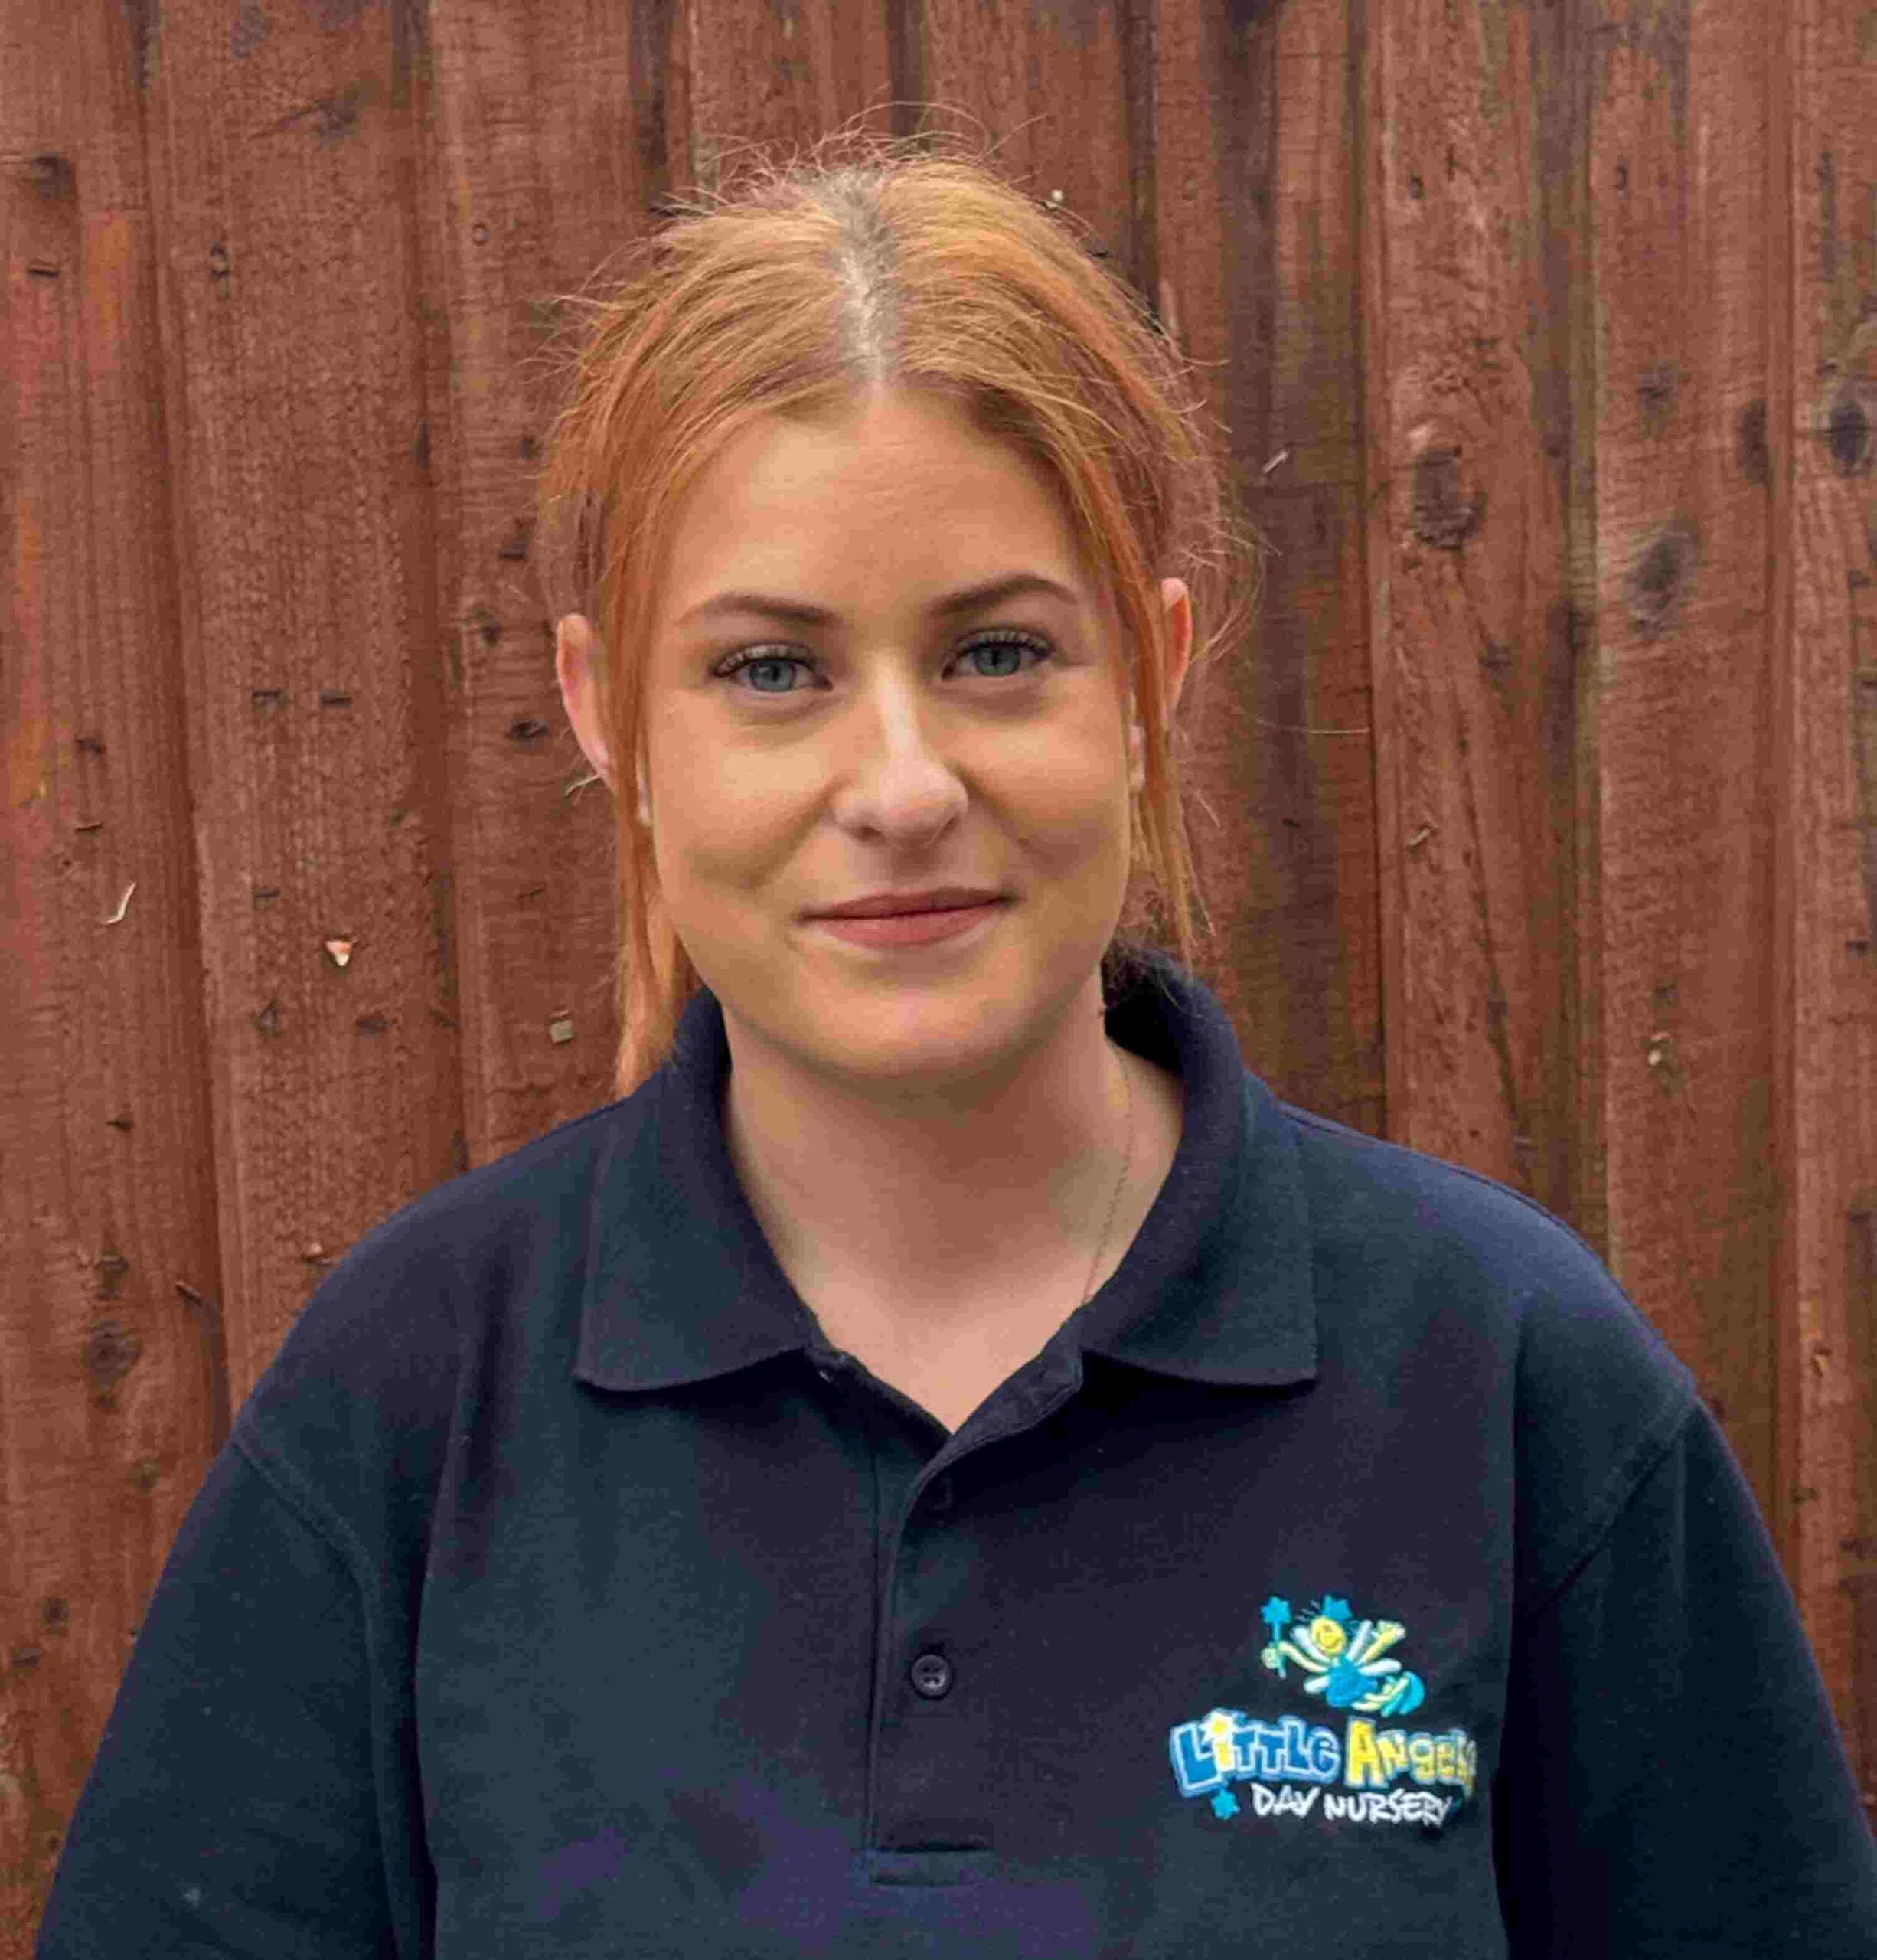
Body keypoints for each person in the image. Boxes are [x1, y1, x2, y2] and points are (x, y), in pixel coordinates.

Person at [34, 129, 1877, 1958]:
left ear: (1149, 676)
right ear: (608, 715)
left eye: (997, 653)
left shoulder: (1504, 1377)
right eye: (771, 670)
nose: (901, 786)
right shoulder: (415, 1395)